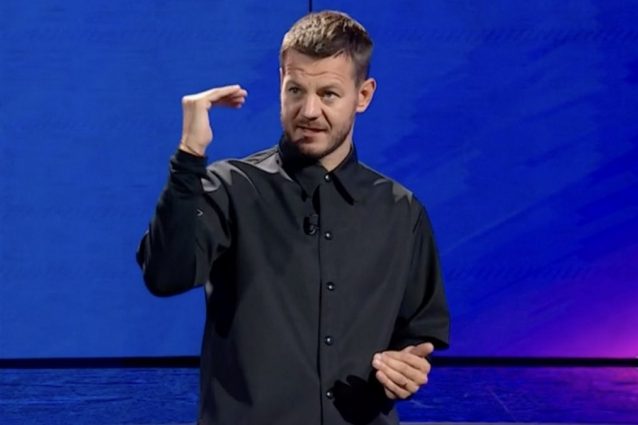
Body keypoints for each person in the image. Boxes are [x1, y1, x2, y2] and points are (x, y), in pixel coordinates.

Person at [136, 10, 450, 425]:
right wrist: (189, 157)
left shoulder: (401, 211)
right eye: (296, 90)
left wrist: (407, 367)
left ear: (363, 95)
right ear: (280, 85)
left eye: (329, 94)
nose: (309, 110)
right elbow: (165, 275)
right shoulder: (231, 188)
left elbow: (419, 331)